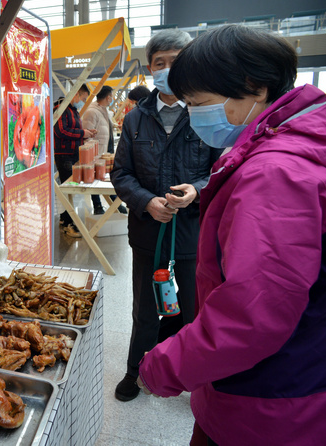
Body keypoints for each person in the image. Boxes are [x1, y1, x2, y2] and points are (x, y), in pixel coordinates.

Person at [139, 24, 326, 445]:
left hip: (273, 403)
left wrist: (162, 367)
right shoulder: (312, 144)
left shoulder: (275, 173)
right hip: (312, 375)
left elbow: (252, 315)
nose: (196, 115)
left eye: (200, 103)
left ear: (253, 88)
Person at [110, 29, 222, 403]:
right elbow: (121, 173)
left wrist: (197, 191)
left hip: (192, 235)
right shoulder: (135, 120)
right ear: (149, 68)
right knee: (145, 310)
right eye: (161, 63)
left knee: (188, 311)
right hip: (147, 234)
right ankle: (135, 371)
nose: (169, 69)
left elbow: (223, 169)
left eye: (177, 61)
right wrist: (146, 201)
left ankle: (181, 374)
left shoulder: (207, 115)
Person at [53, 84, 96, 237]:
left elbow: (74, 131)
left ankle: (65, 219)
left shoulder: (74, 111)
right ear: (76, 94)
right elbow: (61, 131)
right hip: (64, 154)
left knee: (70, 190)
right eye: (83, 98)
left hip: (73, 154)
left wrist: (87, 133)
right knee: (69, 189)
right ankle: (68, 224)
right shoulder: (62, 107)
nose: (83, 102)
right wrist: (82, 133)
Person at [83, 85, 126, 215]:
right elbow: (87, 135)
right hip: (96, 152)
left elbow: (104, 123)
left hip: (106, 150)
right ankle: (98, 206)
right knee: (95, 179)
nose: (112, 99)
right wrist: (91, 155)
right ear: (108, 97)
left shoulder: (103, 110)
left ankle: (114, 203)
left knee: (105, 178)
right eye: (111, 96)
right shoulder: (91, 111)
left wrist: (115, 125)